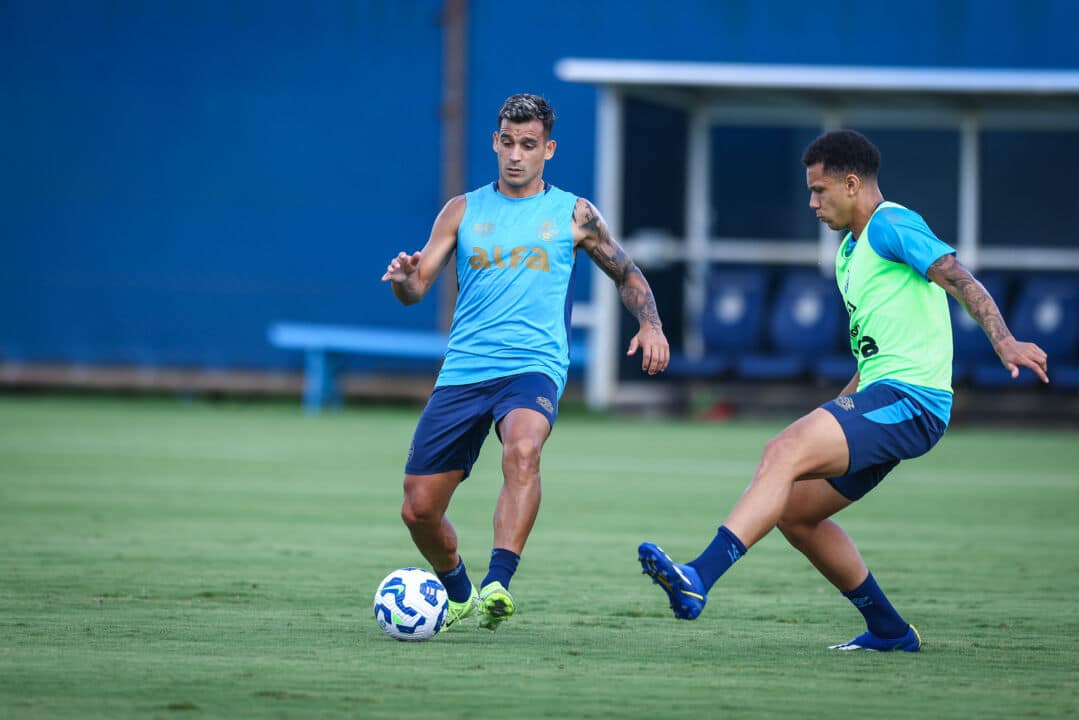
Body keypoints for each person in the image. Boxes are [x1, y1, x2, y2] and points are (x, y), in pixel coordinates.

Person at [638, 129, 1049, 651]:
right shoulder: (848, 253)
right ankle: (889, 629)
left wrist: (1005, 341)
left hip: (913, 401)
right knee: (795, 513)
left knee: (781, 450)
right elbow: (871, 354)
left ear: (852, 184)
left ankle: (698, 577)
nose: (812, 203)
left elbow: (959, 277)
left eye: (819, 191)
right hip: (883, 397)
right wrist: (837, 406)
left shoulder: (893, 224)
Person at [382, 93, 669, 631]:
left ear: (549, 150)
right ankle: (461, 591)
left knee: (523, 448)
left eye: (529, 145)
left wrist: (650, 323)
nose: (516, 154)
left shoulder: (574, 213)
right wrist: (404, 280)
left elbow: (628, 274)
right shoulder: (462, 210)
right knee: (418, 509)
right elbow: (417, 288)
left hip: (533, 366)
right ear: (495, 142)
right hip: (465, 369)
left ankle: (498, 583)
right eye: (508, 143)